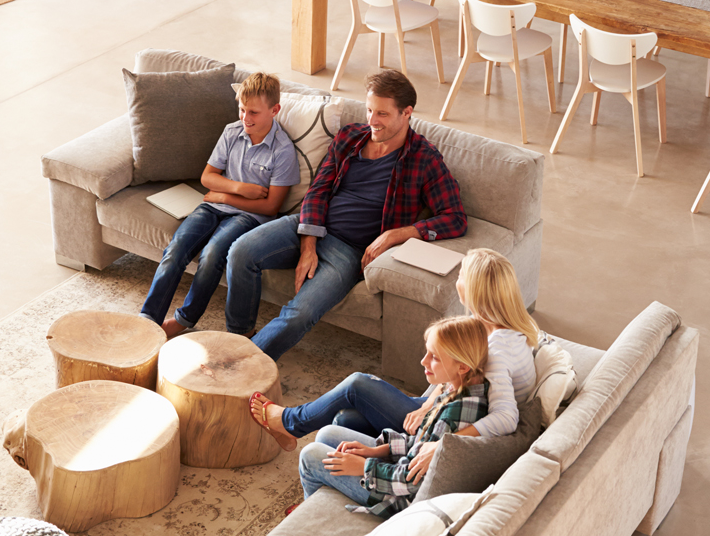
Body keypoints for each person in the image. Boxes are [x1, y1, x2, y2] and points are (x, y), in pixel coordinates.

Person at [224, 69, 467, 359]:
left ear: (407, 113)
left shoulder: (423, 158)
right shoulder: (351, 137)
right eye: (369, 110)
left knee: (301, 312)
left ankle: (242, 362)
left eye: (383, 114)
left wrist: (396, 234)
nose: (372, 121)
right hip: (308, 225)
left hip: (349, 251)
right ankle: (239, 336)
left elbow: (455, 217)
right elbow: (318, 190)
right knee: (240, 252)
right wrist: (308, 243)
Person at [250, 248, 538, 482]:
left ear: (475, 289)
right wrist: (427, 404)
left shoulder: (498, 348)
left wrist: (440, 445)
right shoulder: (492, 328)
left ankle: (290, 423)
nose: (456, 280)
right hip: (440, 409)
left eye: (461, 275)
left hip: (451, 422)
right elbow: (457, 380)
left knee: (358, 385)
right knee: (346, 420)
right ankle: (329, 476)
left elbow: (506, 418)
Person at [138, 73, 299, 339]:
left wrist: (224, 195)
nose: (245, 118)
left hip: (249, 217)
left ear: (275, 110)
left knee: (212, 254)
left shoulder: (282, 151)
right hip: (212, 207)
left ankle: (184, 318)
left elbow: (270, 206)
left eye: (253, 112)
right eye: (242, 110)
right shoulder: (231, 132)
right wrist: (239, 188)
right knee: (176, 249)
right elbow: (207, 177)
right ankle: (147, 320)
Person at [296, 316, 489, 518]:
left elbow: (412, 482)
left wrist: (364, 467)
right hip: (399, 470)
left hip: (398, 499)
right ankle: (326, 498)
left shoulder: (455, 416)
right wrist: (376, 450)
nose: (424, 361)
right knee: (327, 434)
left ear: (463, 366)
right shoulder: (458, 387)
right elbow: (419, 444)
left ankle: (309, 517)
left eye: (435, 357)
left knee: (310, 455)